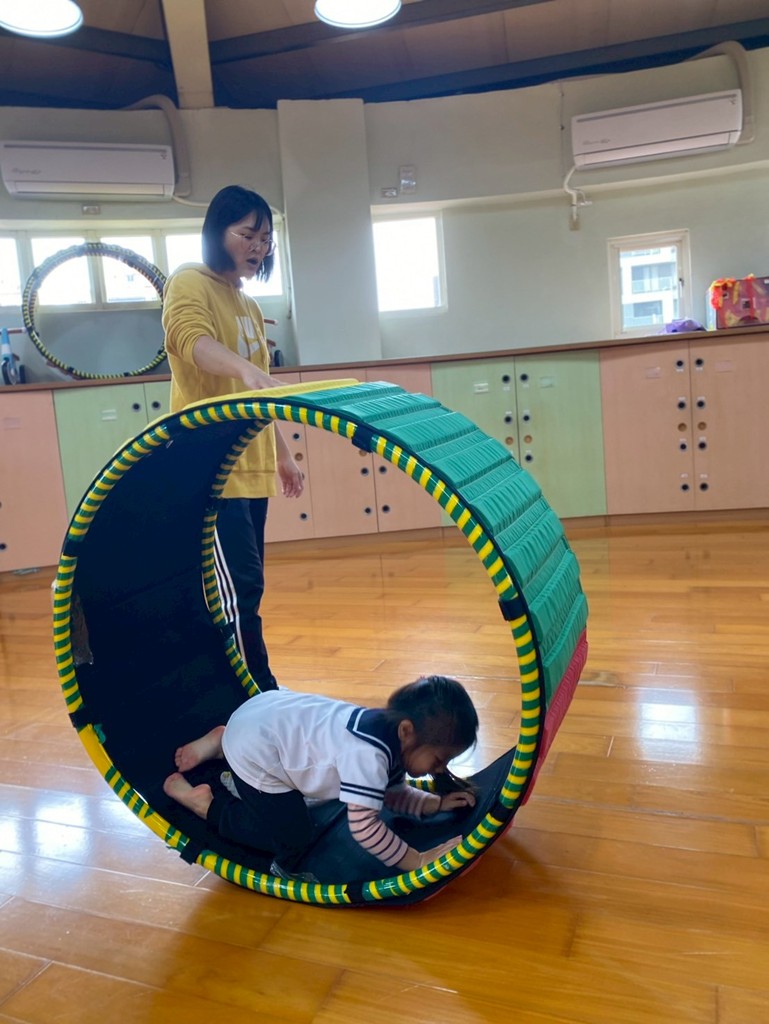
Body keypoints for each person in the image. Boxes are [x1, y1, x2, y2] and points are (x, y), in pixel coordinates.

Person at [162, 185, 303, 692]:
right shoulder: (189, 282)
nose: (259, 247)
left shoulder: (247, 303)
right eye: (248, 234)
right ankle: (255, 689)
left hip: (250, 467)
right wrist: (242, 367)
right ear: (217, 233)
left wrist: (282, 454)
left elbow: (257, 391)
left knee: (247, 586)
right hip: (211, 468)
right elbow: (189, 340)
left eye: (266, 239)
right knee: (234, 590)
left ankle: (245, 687)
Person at [163, 675, 479, 878]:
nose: (440, 769)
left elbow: (390, 793)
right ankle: (207, 804)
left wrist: (434, 804)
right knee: (294, 836)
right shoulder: (367, 756)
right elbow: (365, 828)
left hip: (264, 715)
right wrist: (417, 861)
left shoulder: (389, 731)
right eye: (439, 759)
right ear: (408, 731)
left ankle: (223, 742)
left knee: (305, 796)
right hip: (256, 752)